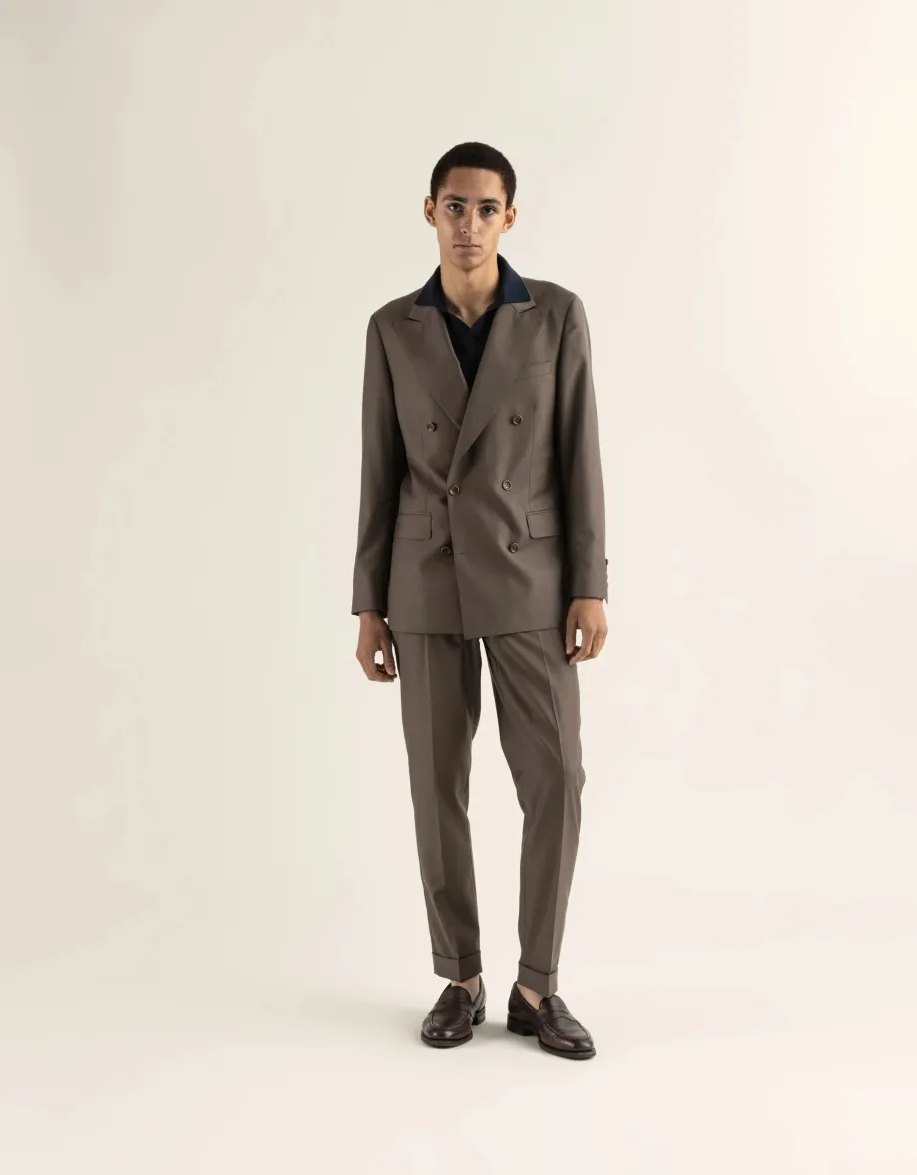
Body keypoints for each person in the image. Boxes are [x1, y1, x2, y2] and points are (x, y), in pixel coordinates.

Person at [351, 141, 608, 1060]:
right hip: (424, 580)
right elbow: (379, 469)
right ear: (430, 212)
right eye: (454, 207)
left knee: (557, 780)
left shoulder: (556, 315)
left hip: (532, 578)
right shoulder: (392, 327)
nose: (469, 224)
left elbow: (579, 453)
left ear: (510, 217)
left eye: (486, 208)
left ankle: (537, 984)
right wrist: (368, 603)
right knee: (436, 789)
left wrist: (589, 584)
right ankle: (459, 976)